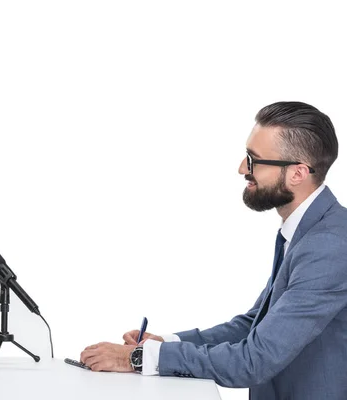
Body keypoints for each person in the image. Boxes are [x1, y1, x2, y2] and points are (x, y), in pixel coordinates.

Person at [80, 101, 347, 399]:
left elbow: (253, 360)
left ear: (297, 174)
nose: (242, 168)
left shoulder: (329, 246)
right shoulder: (310, 230)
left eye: (253, 159)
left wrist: (136, 359)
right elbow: (254, 324)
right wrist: (162, 345)